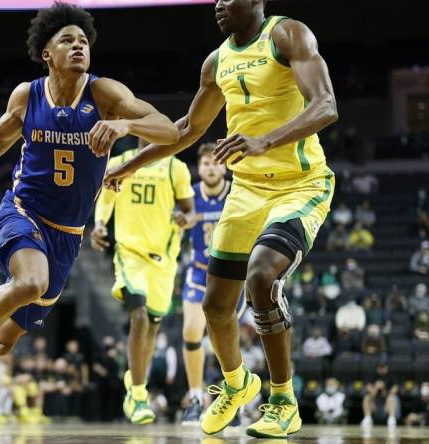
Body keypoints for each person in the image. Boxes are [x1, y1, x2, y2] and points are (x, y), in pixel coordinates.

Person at [0, 3, 179, 434]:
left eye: (83, 40)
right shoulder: (27, 96)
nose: (78, 46)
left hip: (68, 236)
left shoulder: (105, 95)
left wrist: (125, 128)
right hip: (23, 211)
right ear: (47, 53)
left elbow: (169, 130)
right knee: (30, 282)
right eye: (67, 40)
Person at [104, 0, 337, 437]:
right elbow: (188, 130)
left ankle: (283, 401)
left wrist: (264, 140)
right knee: (214, 306)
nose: (218, 4)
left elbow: (326, 106)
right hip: (246, 191)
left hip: (299, 184)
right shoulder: (216, 61)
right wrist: (130, 165)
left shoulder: (288, 35)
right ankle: (236, 384)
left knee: (262, 277)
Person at [91, 136, 195, 425]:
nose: (150, 133)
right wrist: (99, 225)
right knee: (137, 317)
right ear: (137, 133)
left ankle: (136, 377)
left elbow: (191, 211)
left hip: (163, 257)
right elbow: (106, 199)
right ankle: (138, 394)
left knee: (152, 325)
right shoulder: (118, 164)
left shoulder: (176, 167)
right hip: (129, 252)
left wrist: (186, 219)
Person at [175, 143, 247, 425]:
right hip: (199, 272)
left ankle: (234, 398)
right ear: (199, 167)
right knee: (192, 330)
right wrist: (178, 224)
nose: (210, 167)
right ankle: (195, 397)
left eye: (216, 162)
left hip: (232, 275)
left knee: (227, 341)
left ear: (225, 166)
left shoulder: (238, 191)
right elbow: (176, 229)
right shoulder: (189, 194)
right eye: (205, 163)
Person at [361, 362, 400, 428]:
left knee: (391, 398)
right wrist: (376, 388)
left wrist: (384, 389)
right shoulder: (373, 376)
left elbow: (395, 390)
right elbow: (369, 389)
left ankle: (391, 419)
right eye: (380, 368)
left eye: (383, 367)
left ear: (387, 368)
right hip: (375, 405)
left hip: (387, 406)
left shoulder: (392, 377)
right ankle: (367, 418)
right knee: (367, 397)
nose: (382, 369)